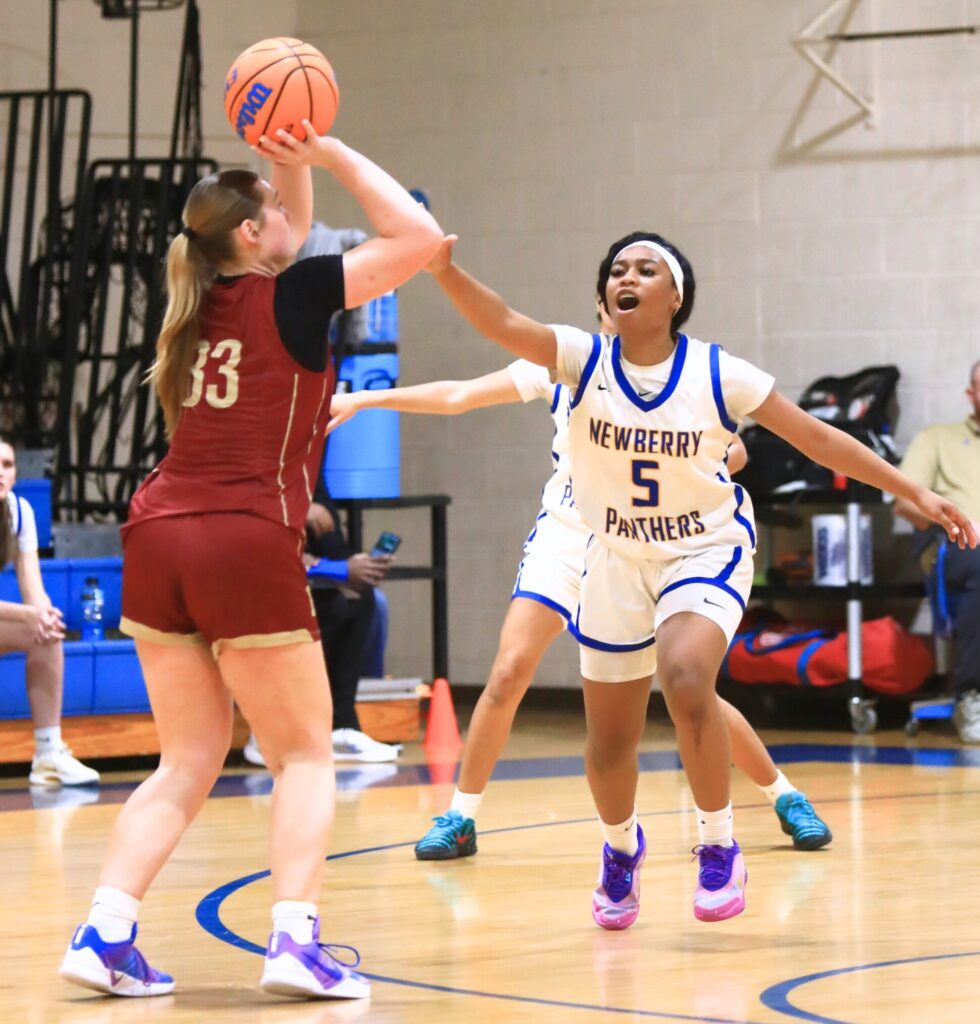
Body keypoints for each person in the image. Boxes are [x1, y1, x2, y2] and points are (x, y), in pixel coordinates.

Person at [397, 229, 973, 929]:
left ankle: (719, 844)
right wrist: (446, 271)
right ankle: (619, 851)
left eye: (645, 268)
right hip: (613, 554)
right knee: (610, 740)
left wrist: (914, 493)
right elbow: (502, 324)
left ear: (676, 296)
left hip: (704, 548)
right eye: (616, 269)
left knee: (687, 676)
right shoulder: (579, 360)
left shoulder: (718, 374)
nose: (626, 277)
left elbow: (819, 438)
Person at [58, 120, 442, 1000]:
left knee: (186, 761)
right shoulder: (297, 296)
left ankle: (104, 930)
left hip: (157, 533)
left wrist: (285, 156)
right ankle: (294, 944)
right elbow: (415, 239)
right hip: (240, 533)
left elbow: (292, 231)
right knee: (304, 754)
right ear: (249, 234)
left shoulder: (195, 306)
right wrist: (337, 151)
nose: (294, 224)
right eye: (275, 210)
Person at [330, 301, 834, 877]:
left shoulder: (682, 376)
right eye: (613, 297)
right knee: (509, 668)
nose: (623, 308)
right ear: (600, 309)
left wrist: (709, 463)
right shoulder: (567, 360)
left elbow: (734, 451)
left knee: (689, 692)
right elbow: (458, 395)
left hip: (641, 541)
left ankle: (782, 794)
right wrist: (367, 398)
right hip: (570, 532)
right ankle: (460, 816)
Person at [894, 356, 980, 744]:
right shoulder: (938, 437)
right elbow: (903, 502)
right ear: (971, 394)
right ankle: (971, 696)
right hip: (964, 543)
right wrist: (956, 519)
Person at [242, 471, 400, 766]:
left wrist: (357, 565)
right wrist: (299, 514)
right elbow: (247, 531)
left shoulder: (308, 463)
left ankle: (341, 727)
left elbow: (331, 541)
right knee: (296, 602)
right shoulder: (254, 461)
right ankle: (266, 732)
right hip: (240, 567)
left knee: (357, 599)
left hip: (293, 568)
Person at [0, 439, 99, 787]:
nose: (1, 472)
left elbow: (33, 587)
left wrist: (44, 616)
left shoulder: (20, 511)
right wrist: (27, 615)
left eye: (8, 464)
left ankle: (48, 755)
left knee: (46, 635)